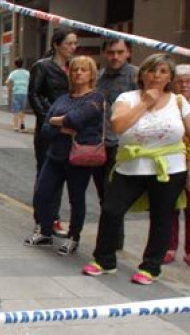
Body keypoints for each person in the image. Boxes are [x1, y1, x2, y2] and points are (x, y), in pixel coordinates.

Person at [83, 53, 190, 285]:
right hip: (130, 166)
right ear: (142, 74)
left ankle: (151, 266)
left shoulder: (179, 102)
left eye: (163, 71)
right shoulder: (127, 98)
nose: (156, 76)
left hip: (169, 168)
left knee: (162, 216)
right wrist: (145, 103)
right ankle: (104, 260)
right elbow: (119, 126)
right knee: (111, 209)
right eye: (151, 70)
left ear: (170, 77)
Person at [24, 56, 105, 256]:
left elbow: (76, 119)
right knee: (43, 194)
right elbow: (46, 128)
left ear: (91, 74)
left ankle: (73, 237)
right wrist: (62, 125)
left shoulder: (95, 98)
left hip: (78, 158)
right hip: (55, 155)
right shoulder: (63, 98)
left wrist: (58, 122)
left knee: (76, 199)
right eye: (75, 69)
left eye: (83, 70)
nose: (78, 73)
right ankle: (45, 231)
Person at [28, 28, 78, 236]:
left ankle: (55, 218)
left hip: (70, 128)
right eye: (69, 43)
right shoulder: (42, 67)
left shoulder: (74, 68)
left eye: (75, 44)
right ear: (57, 44)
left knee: (63, 174)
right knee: (46, 175)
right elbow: (34, 95)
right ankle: (42, 218)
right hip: (49, 129)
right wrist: (48, 119)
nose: (73, 48)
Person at [94, 38, 139, 251]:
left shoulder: (137, 76)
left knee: (115, 199)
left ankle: (112, 242)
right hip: (99, 145)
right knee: (105, 197)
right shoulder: (99, 77)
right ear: (104, 53)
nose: (115, 57)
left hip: (124, 147)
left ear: (128, 52)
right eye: (111, 52)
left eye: (120, 52)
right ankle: (111, 240)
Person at [166, 64, 190, 265]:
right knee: (169, 206)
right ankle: (169, 246)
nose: (184, 85)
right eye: (180, 81)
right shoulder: (170, 103)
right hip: (170, 160)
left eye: (188, 81)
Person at [6, 58, 30, 132]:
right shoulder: (27, 73)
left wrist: (10, 88)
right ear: (23, 64)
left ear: (15, 64)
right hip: (24, 92)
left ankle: (16, 126)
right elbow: (31, 81)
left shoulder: (13, 73)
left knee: (16, 111)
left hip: (16, 93)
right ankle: (22, 125)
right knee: (22, 110)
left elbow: (7, 82)